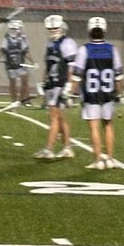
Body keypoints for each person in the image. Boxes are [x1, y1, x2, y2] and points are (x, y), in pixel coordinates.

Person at [67, 16, 123, 169]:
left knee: (94, 126)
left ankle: (98, 160)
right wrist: (119, 93)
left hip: (91, 94)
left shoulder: (84, 50)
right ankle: (110, 158)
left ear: (89, 31)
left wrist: (70, 93)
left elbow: (77, 75)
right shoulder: (113, 49)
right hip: (108, 93)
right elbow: (118, 76)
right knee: (108, 125)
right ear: (104, 31)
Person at [35, 15, 78, 160]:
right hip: (52, 83)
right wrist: (43, 82)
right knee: (59, 117)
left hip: (61, 83)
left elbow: (72, 67)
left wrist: (69, 86)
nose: (53, 31)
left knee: (54, 116)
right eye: (50, 28)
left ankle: (49, 149)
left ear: (62, 27)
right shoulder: (50, 43)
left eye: (55, 28)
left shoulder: (67, 43)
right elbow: (48, 65)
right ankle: (67, 148)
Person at [0, 19, 32, 106]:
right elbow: (3, 49)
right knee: (12, 83)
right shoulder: (6, 38)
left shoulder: (22, 38)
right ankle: (13, 100)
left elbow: (26, 52)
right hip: (10, 65)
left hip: (20, 64)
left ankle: (21, 100)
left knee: (24, 81)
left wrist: (32, 62)